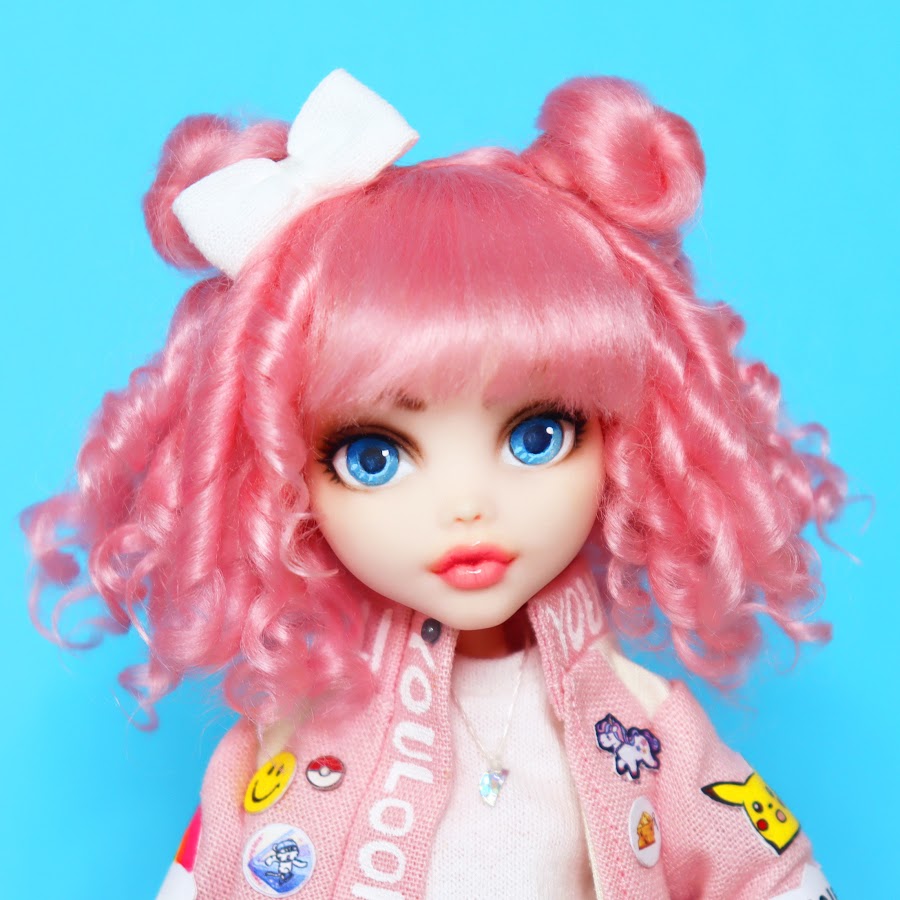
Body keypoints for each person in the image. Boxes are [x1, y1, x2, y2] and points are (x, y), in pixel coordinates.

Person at [23, 70, 845, 899]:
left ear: (628, 438)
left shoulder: (641, 724)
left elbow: (768, 874)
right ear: (278, 481)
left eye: (537, 437)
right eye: (373, 456)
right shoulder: (294, 734)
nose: (466, 506)